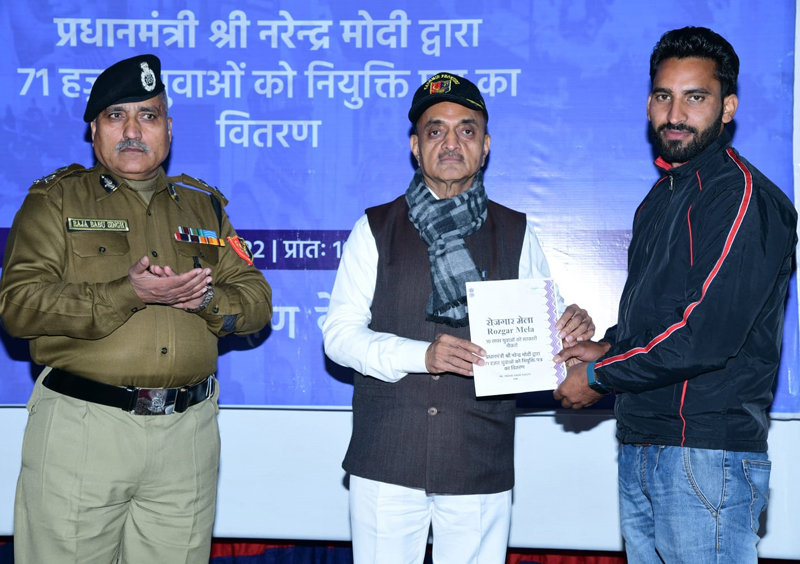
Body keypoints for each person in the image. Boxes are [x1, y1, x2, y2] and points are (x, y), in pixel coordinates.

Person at [0, 54, 272, 564]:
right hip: (85, 428)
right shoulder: (56, 201)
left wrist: (207, 300)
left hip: (186, 435)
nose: (132, 130)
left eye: (147, 116)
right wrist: (127, 292)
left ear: (167, 128)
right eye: (115, 116)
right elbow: (17, 306)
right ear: (94, 132)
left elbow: (256, 301)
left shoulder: (205, 206)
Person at [323, 72, 594, 564]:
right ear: (414, 145)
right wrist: (421, 356)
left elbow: (541, 342)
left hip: (477, 457)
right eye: (435, 130)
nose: (451, 142)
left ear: (485, 146)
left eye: (467, 130)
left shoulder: (516, 231)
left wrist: (569, 324)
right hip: (387, 456)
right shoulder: (375, 227)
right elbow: (339, 338)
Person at [553, 27, 797, 563]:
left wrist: (600, 376)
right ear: (648, 104)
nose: (676, 113)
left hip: (704, 454)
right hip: (644, 441)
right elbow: (659, 317)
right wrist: (608, 347)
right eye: (664, 96)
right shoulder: (660, 198)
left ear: (727, 106)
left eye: (696, 97)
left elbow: (704, 334)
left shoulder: (741, 196)